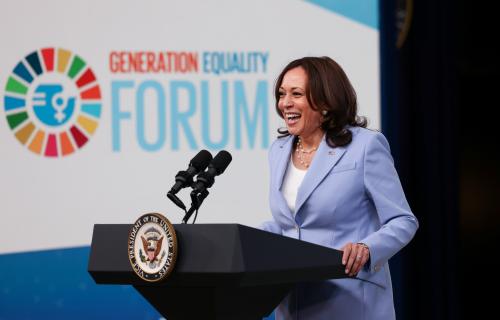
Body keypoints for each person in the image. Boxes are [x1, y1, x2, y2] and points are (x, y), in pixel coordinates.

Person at [260, 56, 419, 320]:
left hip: (351, 298)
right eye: (282, 94)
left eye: (296, 94)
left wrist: (367, 248)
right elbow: (290, 226)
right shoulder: (278, 150)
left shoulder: (365, 146)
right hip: (293, 302)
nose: (285, 103)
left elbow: (403, 221)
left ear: (324, 102)